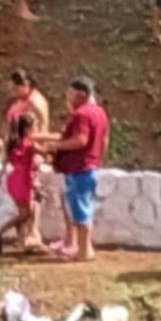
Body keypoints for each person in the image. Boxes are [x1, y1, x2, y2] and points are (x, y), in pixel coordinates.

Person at [49, 76, 110, 264]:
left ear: (81, 94)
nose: (68, 97)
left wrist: (56, 146)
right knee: (82, 207)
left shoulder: (82, 114)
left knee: (80, 210)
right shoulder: (99, 112)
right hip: (89, 166)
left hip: (79, 167)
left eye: (71, 93)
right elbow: (104, 140)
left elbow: (80, 140)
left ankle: (84, 250)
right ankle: (84, 248)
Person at [0, 99, 51, 257]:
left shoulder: (14, 143)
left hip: (14, 179)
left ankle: (23, 241)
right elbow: (46, 153)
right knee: (25, 214)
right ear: (29, 128)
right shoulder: (29, 144)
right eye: (35, 126)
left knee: (23, 213)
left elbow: (5, 163)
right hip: (24, 180)